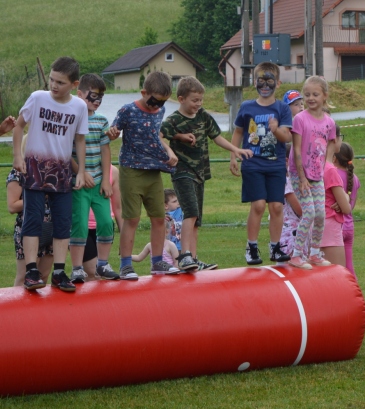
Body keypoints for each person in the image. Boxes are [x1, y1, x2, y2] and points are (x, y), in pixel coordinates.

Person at [12, 56, 88, 292]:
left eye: (60, 83)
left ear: (74, 84)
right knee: (32, 221)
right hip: (34, 168)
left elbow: (80, 139)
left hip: (62, 172)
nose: (54, 86)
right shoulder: (38, 98)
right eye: (52, 80)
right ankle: (32, 271)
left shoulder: (79, 106)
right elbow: (19, 125)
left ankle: (58, 271)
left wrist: (81, 170)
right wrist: (17, 156)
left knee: (63, 223)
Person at [161, 76, 253, 271]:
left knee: (196, 220)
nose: (198, 104)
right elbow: (158, 136)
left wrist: (234, 150)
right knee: (190, 212)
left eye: (200, 100)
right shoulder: (173, 120)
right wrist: (173, 144)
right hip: (182, 172)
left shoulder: (203, 116)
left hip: (200, 173)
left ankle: (193, 259)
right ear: (181, 99)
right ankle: (184, 255)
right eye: (194, 100)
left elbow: (217, 137)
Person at [107, 70, 178, 279]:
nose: (157, 106)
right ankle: (126, 265)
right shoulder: (127, 110)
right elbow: (114, 131)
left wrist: (169, 151)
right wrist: (112, 133)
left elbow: (155, 135)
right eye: (154, 101)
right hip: (132, 171)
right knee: (132, 219)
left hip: (154, 171)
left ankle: (158, 263)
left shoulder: (159, 110)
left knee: (158, 218)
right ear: (143, 92)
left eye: (162, 103)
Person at [229, 63, 293, 266]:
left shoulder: (282, 108)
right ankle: (252, 246)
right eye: (261, 81)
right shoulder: (247, 107)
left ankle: (275, 247)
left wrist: (275, 130)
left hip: (275, 165)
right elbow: (239, 131)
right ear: (254, 82)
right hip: (253, 163)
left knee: (276, 206)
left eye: (269, 81)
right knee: (257, 205)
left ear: (278, 83)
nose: (265, 85)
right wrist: (233, 155)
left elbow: (287, 137)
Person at [67, 73, 119, 283]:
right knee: (79, 224)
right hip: (79, 184)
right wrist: (81, 171)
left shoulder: (101, 120)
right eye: (93, 97)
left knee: (106, 222)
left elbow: (105, 151)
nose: (96, 102)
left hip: (98, 183)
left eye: (100, 98)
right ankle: (77, 268)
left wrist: (106, 180)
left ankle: (103, 264)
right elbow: (65, 152)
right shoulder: (71, 120)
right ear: (79, 94)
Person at [288, 76, 338, 269]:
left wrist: (326, 165)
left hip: (317, 175)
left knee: (320, 214)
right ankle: (297, 254)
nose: (310, 98)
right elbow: (297, 149)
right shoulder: (300, 119)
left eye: (315, 94)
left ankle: (315, 253)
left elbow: (330, 144)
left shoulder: (329, 122)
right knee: (308, 212)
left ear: (324, 96)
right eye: (306, 94)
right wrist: (301, 178)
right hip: (300, 173)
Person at [7, 162, 54, 287]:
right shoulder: (17, 172)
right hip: (28, 228)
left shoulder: (53, 171)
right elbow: (12, 206)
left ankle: (38, 307)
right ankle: (18, 305)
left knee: (43, 276)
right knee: (24, 276)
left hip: (51, 227)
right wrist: (38, 196)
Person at [321, 129, 352, 269]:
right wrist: (345, 197)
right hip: (330, 223)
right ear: (334, 140)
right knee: (337, 274)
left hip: (316, 223)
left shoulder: (315, 166)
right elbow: (346, 208)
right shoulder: (330, 170)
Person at [333, 141, 360, 276]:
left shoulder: (332, 173)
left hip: (336, 225)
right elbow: (351, 205)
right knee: (349, 266)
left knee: (334, 267)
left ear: (334, 158)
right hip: (349, 226)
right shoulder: (354, 178)